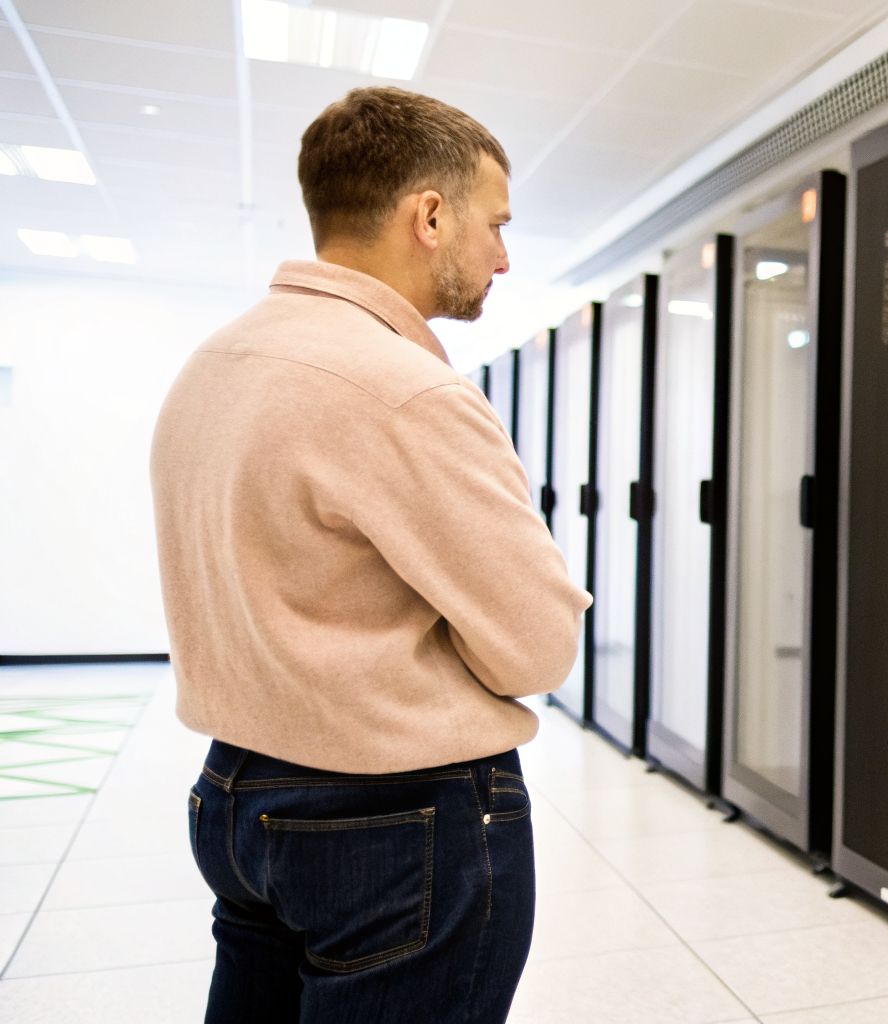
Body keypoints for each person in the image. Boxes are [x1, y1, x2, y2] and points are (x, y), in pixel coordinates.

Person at [149, 86, 590, 1023]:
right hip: (394, 827)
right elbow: (538, 646)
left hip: (237, 796)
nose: (504, 257)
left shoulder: (214, 363)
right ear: (428, 216)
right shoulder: (402, 390)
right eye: (495, 225)